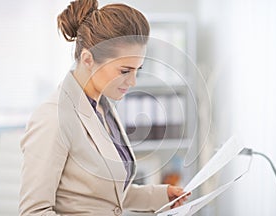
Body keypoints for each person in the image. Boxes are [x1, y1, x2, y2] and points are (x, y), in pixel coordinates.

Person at [19, 0, 190, 215]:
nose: (133, 81)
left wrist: (160, 195)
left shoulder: (103, 109)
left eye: (138, 70)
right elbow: (34, 211)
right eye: (125, 71)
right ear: (88, 59)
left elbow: (106, 195)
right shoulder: (54, 117)